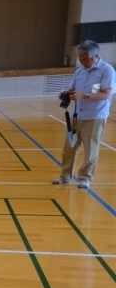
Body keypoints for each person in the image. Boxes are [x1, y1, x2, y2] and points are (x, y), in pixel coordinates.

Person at [52, 40, 114, 189]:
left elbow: (105, 94)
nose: (82, 62)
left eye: (85, 59)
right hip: (75, 116)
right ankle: (64, 176)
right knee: (69, 148)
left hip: (94, 117)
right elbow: (72, 89)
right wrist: (66, 94)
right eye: (80, 60)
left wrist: (84, 96)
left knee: (90, 149)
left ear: (96, 57)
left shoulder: (107, 70)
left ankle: (85, 178)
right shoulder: (79, 71)